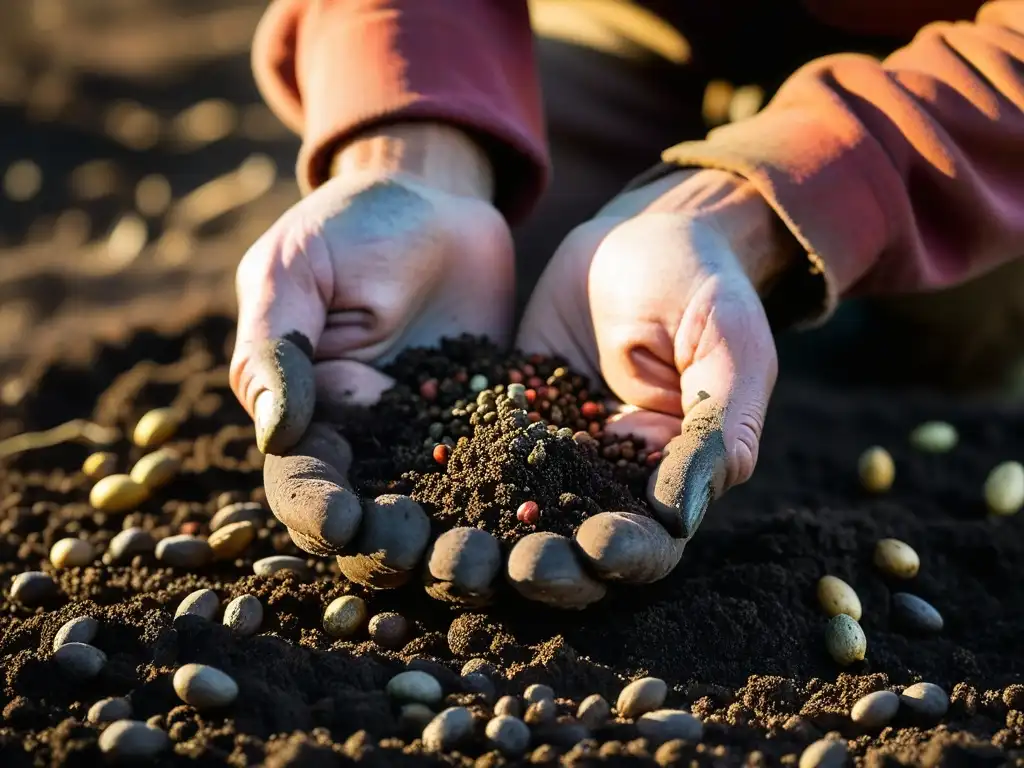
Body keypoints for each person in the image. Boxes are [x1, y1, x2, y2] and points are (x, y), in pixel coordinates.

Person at [228, 0, 1024, 585]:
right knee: (523, 262)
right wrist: (413, 152)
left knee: (953, 315)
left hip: (959, 65)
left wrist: (748, 215)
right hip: (639, 21)